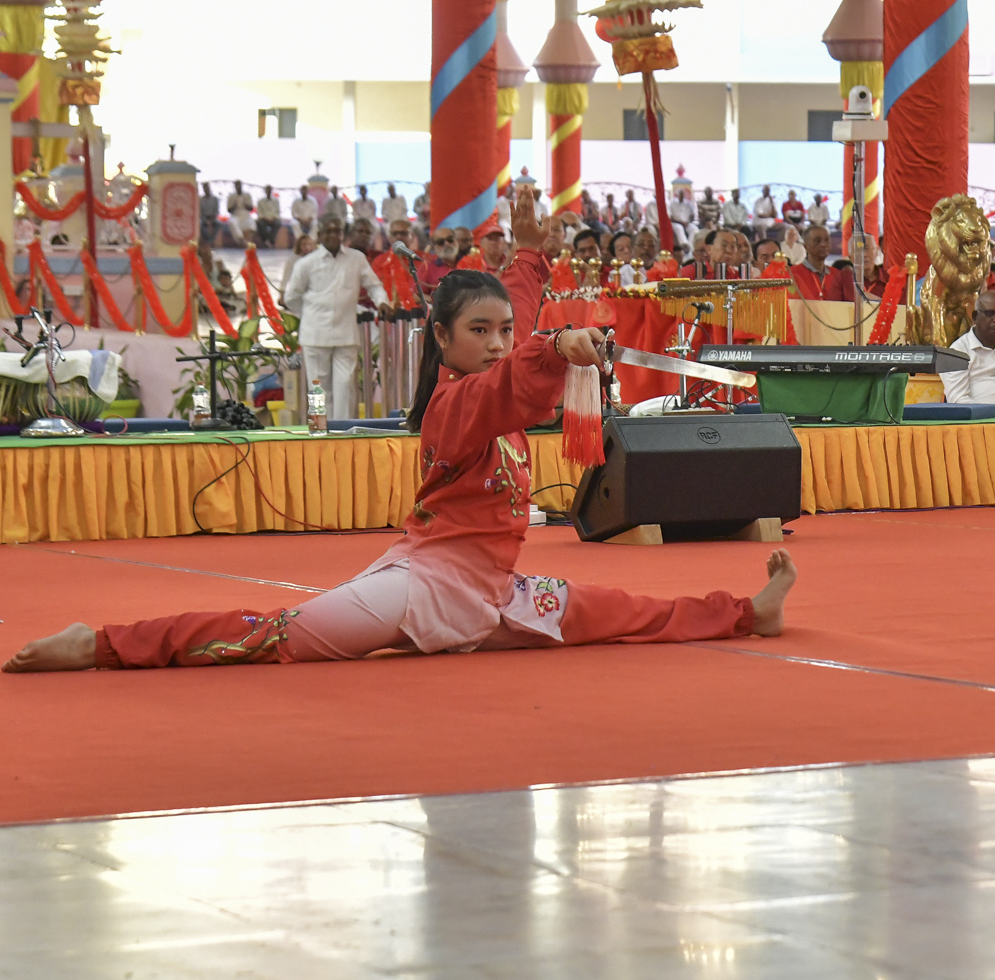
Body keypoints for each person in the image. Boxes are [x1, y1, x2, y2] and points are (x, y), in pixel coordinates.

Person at [7, 191, 795, 675]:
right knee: (273, 636)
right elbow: (507, 386)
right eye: (477, 331)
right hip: (422, 587)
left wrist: (527, 257)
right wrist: (552, 344)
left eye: (503, 329)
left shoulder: (494, 381)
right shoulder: (454, 411)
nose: (493, 341)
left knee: (620, 611)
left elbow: (512, 354)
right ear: (443, 342)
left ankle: (744, 612)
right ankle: (101, 642)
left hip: (497, 594)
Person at [283, 215, 388, 420]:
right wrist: (311, 313)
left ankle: (343, 433)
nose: (333, 235)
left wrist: (383, 302)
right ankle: (321, 431)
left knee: (346, 385)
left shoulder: (356, 258)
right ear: (319, 235)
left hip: (346, 332)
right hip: (315, 333)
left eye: (337, 231)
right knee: (318, 387)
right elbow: (291, 297)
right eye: (328, 231)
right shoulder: (307, 263)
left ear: (342, 234)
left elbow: (374, 286)